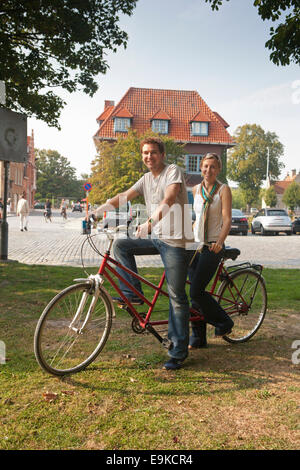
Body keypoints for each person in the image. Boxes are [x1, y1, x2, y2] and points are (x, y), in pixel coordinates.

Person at [88, 137, 194, 370]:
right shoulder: (146, 178)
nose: (149, 157)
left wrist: (148, 223)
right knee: (121, 244)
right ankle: (132, 293)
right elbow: (124, 197)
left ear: (162, 155)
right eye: (145, 153)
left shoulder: (172, 172)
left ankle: (178, 351)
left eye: (153, 153)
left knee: (176, 295)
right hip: (157, 237)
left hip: (177, 240)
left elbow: (169, 198)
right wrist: (97, 211)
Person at [188, 153, 234, 349]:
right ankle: (198, 339)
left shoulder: (223, 190)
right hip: (195, 246)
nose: (208, 170)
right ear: (201, 168)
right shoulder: (195, 189)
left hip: (212, 246)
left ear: (218, 169)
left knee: (196, 291)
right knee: (194, 295)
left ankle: (224, 322)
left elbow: (227, 220)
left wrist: (220, 242)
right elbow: (195, 217)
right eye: (205, 166)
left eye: (213, 167)